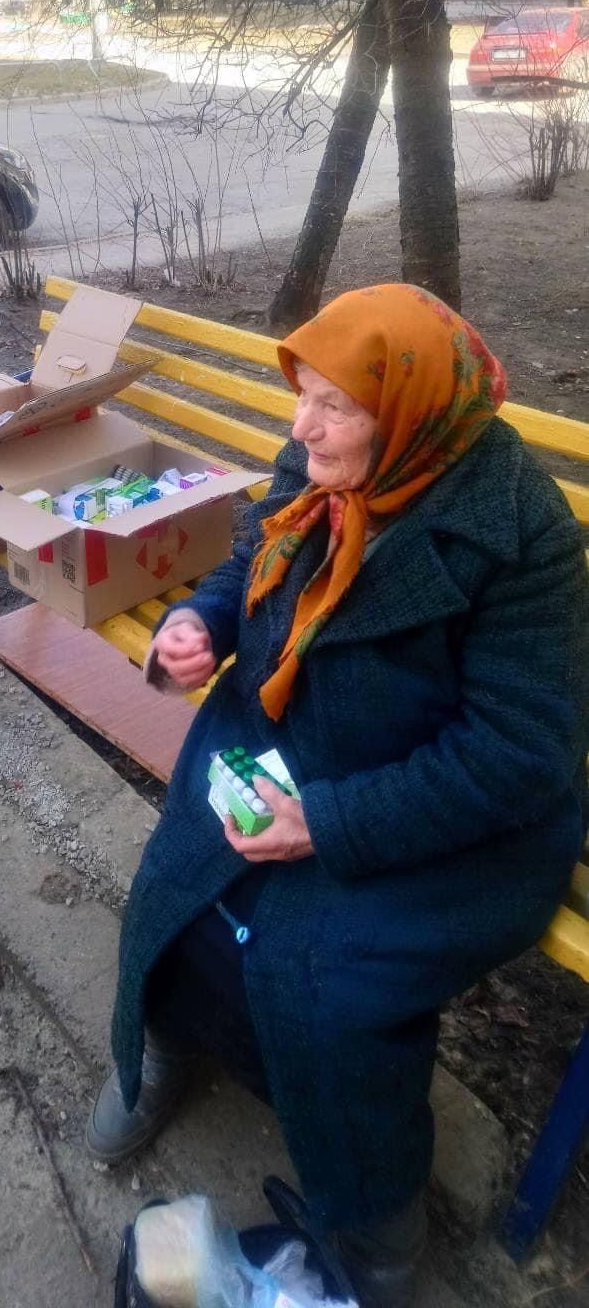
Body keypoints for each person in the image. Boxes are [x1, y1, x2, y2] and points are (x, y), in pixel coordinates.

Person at [85, 285, 589, 1308]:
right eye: (300, 395)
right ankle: (166, 1043)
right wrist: (206, 623)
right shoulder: (320, 463)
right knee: (185, 870)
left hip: (445, 806)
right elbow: (248, 560)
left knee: (325, 971)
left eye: (334, 406)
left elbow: (519, 751)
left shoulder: (517, 534)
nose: (301, 426)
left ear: (406, 410)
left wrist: (331, 820)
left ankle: (375, 1228)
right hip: (290, 729)